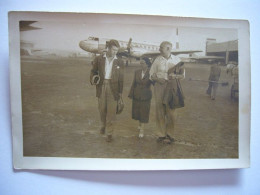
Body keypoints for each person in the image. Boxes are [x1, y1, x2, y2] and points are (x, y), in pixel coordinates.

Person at [149, 41, 184, 144]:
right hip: (159, 86)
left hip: (172, 87)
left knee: (171, 112)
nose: (159, 49)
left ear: (168, 48)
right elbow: (151, 74)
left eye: (161, 47)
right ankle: (161, 134)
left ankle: (170, 134)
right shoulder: (157, 60)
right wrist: (157, 79)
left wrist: (176, 76)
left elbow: (183, 75)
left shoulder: (177, 60)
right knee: (160, 111)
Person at [90, 39, 124, 142]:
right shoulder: (99, 59)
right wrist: (94, 78)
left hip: (113, 88)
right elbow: (93, 71)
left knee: (111, 111)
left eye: (116, 50)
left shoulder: (119, 61)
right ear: (108, 49)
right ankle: (103, 125)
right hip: (101, 86)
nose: (115, 52)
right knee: (102, 109)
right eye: (113, 50)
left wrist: (120, 93)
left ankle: (109, 133)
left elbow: (121, 79)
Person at [128, 57, 153, 138]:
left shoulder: (151, 73)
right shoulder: (137, 72)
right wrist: (131, 94)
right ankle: (140, 124)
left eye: (143, 63)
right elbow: (133, 83)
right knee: (138, 111)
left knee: (144, 112)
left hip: (146, 95)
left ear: (147, 64)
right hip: (137, 94)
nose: (141, 65)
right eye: (140, 63)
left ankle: (142, 129)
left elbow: (154, 83)